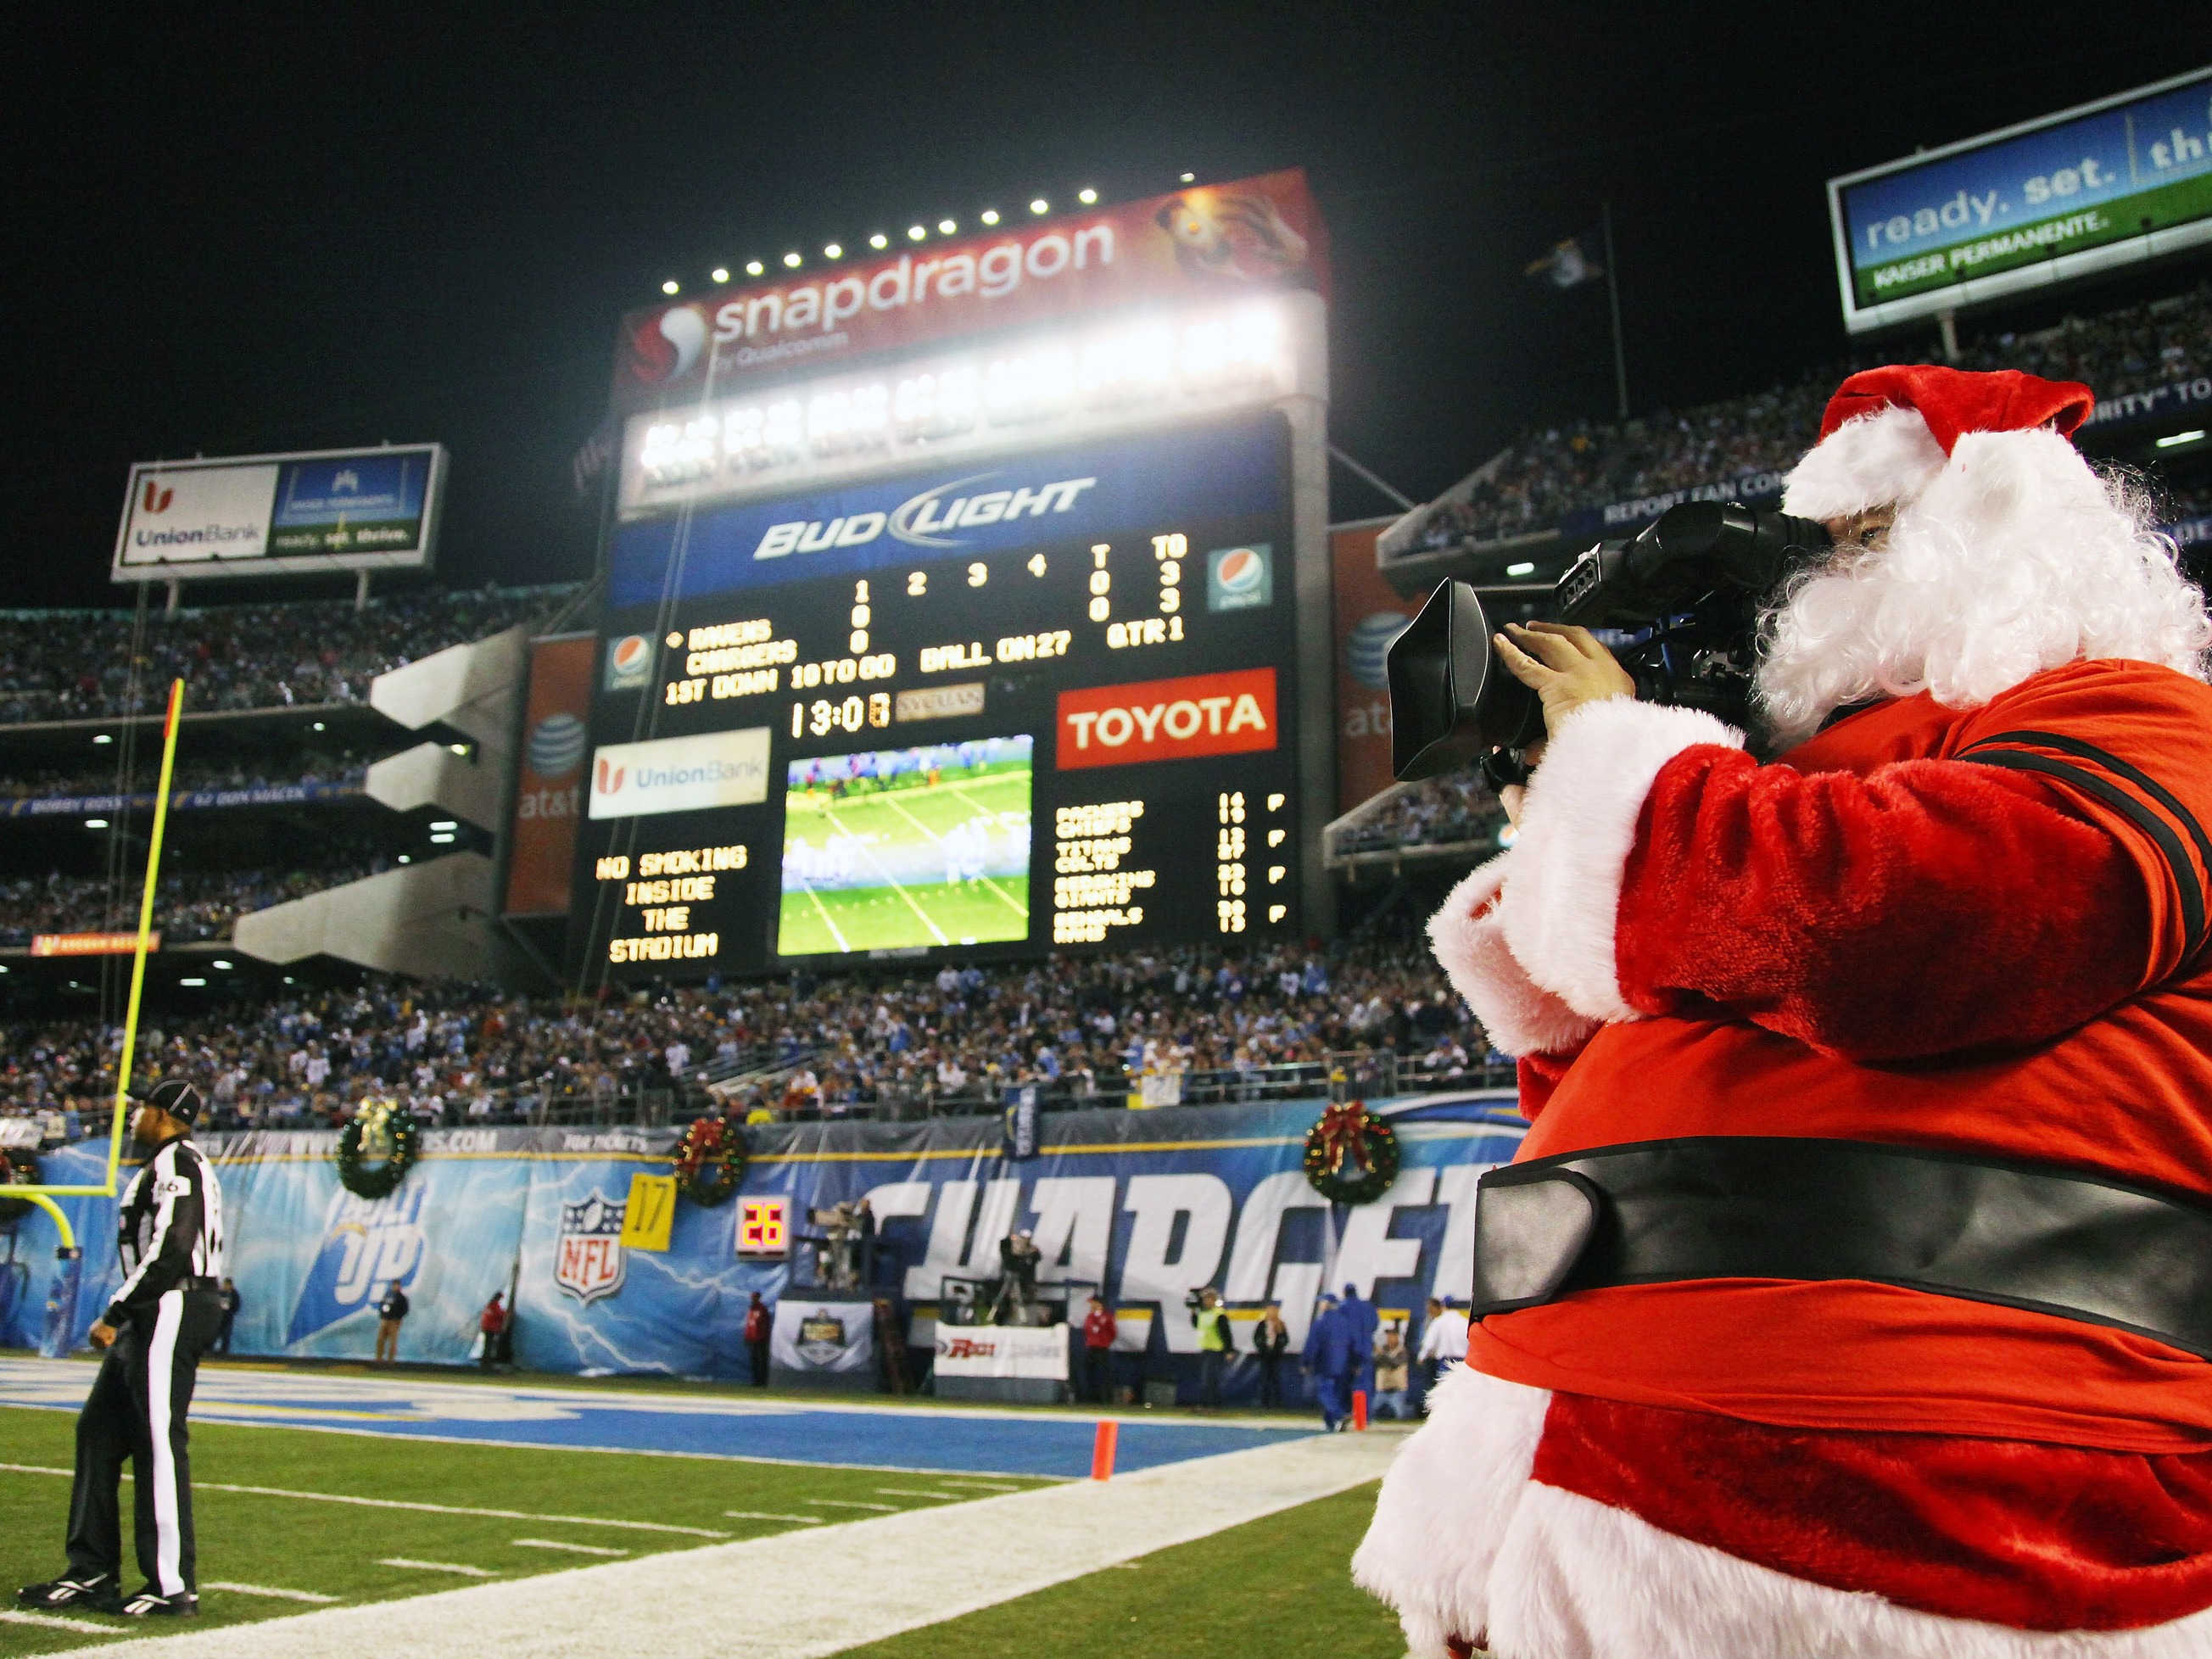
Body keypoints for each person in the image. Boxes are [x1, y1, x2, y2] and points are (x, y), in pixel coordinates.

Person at [1355, 366, 2212, 1656]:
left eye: (1866, 539)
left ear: (2000, 533)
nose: (1821, 580)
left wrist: (1623, 761)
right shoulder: (1807, 779)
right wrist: (1566, 819)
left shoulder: (2143, 716)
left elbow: (1908, 919)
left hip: (1885, 1511)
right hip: (1599, 1477)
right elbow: (1651, 1100)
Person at [18, 1078, 226, 1618]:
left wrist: (116, 1312)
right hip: (156, 1308)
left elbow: (175, 1245)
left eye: (141, 1109)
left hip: (171, 1305)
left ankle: (172, 1584)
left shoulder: (177, 1162)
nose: (132, 1118)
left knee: (157, 1438)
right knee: (100, 1432)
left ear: (164, 1114)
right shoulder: (165, 1163)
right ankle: (91, 1571)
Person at [1301, 1293, 1367, 1431]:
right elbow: (1356, 1345)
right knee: (1336, 1395)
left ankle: (1339, 1415)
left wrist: (1305, 1362)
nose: (1320, 1305)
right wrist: (1357, 1363)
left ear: (1327, 1304)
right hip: (1344, 1366)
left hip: (1325, 1364)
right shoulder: (1346, 1323)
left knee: (1325, 1392)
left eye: (1322, 1303)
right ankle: (1330, 1424)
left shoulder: (1320, 1323)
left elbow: (1312, 1345)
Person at [1414, 1295, 1468, 1413]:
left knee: (1445, 1391)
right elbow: (1470, 1342)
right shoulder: (1464, 1322)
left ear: (1444, 1306)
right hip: (1462, 1361)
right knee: (1462, 1389)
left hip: (1445, 1361)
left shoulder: (1439, 1321)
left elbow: (1429, 1342)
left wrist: (1422, 1356)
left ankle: (1444, 1413)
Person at [1190, 1287, 1233, 1407]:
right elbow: (1197, 1325)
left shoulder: (1219, 1314)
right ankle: (1207, 1403)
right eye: (1204, 1299)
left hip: (1215, 1349)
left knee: (1211, 1378)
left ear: (1214, 1299)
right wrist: (1193, 1313)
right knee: (1206, 1378)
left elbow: (1226, 1332)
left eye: (1208, 1298)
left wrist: (1229, 1350)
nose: (1205, 1301)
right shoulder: (1204, 1313)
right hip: (1205, 1349)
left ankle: (1211, 1404)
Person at [1337, 1281, 1379, 1401]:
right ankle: (1364, 1417)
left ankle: (1345, 1413)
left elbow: (1341, 1330)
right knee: (1364, 1386)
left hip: (1347, 1352)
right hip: (1366, 1350)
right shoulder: (1368, 1307)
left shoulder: (1343, 1307)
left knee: (1344, 1386)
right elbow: (1375, 1325)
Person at [1254, 1303, 1291, 1408]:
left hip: (1276, 1355)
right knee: (1265, 1379)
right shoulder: (1262, 1324)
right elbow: (1256, 1338)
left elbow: (1285, 1339)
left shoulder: (1280, 1324)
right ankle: (1264, 1402)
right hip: (1265, 1355)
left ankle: (1277, 1402)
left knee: (1276, 1379)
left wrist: (1278, 1346)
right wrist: (1262, 1347)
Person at [1081, 1295, 1117, 1404]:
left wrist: (1105, 1341)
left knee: (1105, 1375)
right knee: (1088, 1373)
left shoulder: (1107, 1316)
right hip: (1091, 1348)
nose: (1091, 1305)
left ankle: (1106, 1399)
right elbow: (1087, 1330)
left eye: (1092, 1303)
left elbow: (1113, 1332)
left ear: (1098, 1303)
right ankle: (1089, 1398)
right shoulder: (1090, 1317)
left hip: (1102, 1349)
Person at [1372, 1323, 1411, 1421]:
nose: (1390, 1338)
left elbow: (1395, 1364)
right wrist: (1380, 1354)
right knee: (1371, 1412)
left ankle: (1411, 1410)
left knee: (1401, 1415)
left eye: (1393, 1336)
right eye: (1388, 1336)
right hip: (1382, 1390)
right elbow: (1375, 1361)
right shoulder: (1383, 1350)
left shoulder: (1402, 1352)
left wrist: (1382, 1355)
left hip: (1397, 1390)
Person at [373, 1280, 409, 1364]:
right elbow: (382, 1305)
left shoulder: (402, 1298)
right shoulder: (387, 1295)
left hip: (394, 1321)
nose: (396, 1287)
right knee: (380, 1339)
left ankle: (391, 1359)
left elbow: (405, 1309)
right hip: (385, 1319)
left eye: (397, 1285)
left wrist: (398, 1318)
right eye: (395, 1285)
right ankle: (379, 1358)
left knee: (393, 1340)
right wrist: (382, 1315)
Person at [743, 1290, 771, 1388]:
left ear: (758, 1298)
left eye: (755, 1298)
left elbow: (765, 1325)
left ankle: (763, 1381)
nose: (753, 1299)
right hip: (753, 1339)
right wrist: (747, 1336)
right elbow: (750, 1325)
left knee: (761, 1361)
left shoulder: (762, 1309)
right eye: (752, 1298)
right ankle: (756, 1381)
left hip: (761, 1340)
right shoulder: (751, 1309)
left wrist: (763, 1337)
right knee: (754, 1361)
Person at [477, 1293, 506, 1370]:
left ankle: (485, 1361)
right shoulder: (494, 1305)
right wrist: (505, 1313)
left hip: (487, 1327)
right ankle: (486, 1362)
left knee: (487, 1345)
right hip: (491, 1328)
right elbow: (499, 1314)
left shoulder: (489, 1305)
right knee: (489, 1345)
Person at [213, 1278, 241, 1356]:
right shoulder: (220, 1293)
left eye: (227, 1285)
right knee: (215, 1334)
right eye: (225, 1285)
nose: (225, 1286)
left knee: (226, 1335)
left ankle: (224, 1351)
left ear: (231, 1285)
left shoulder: (235, 1295)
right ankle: (211, 1350)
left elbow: (236, 1305)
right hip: (219, 1318)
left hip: (228, 1318)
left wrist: (230, 1312)